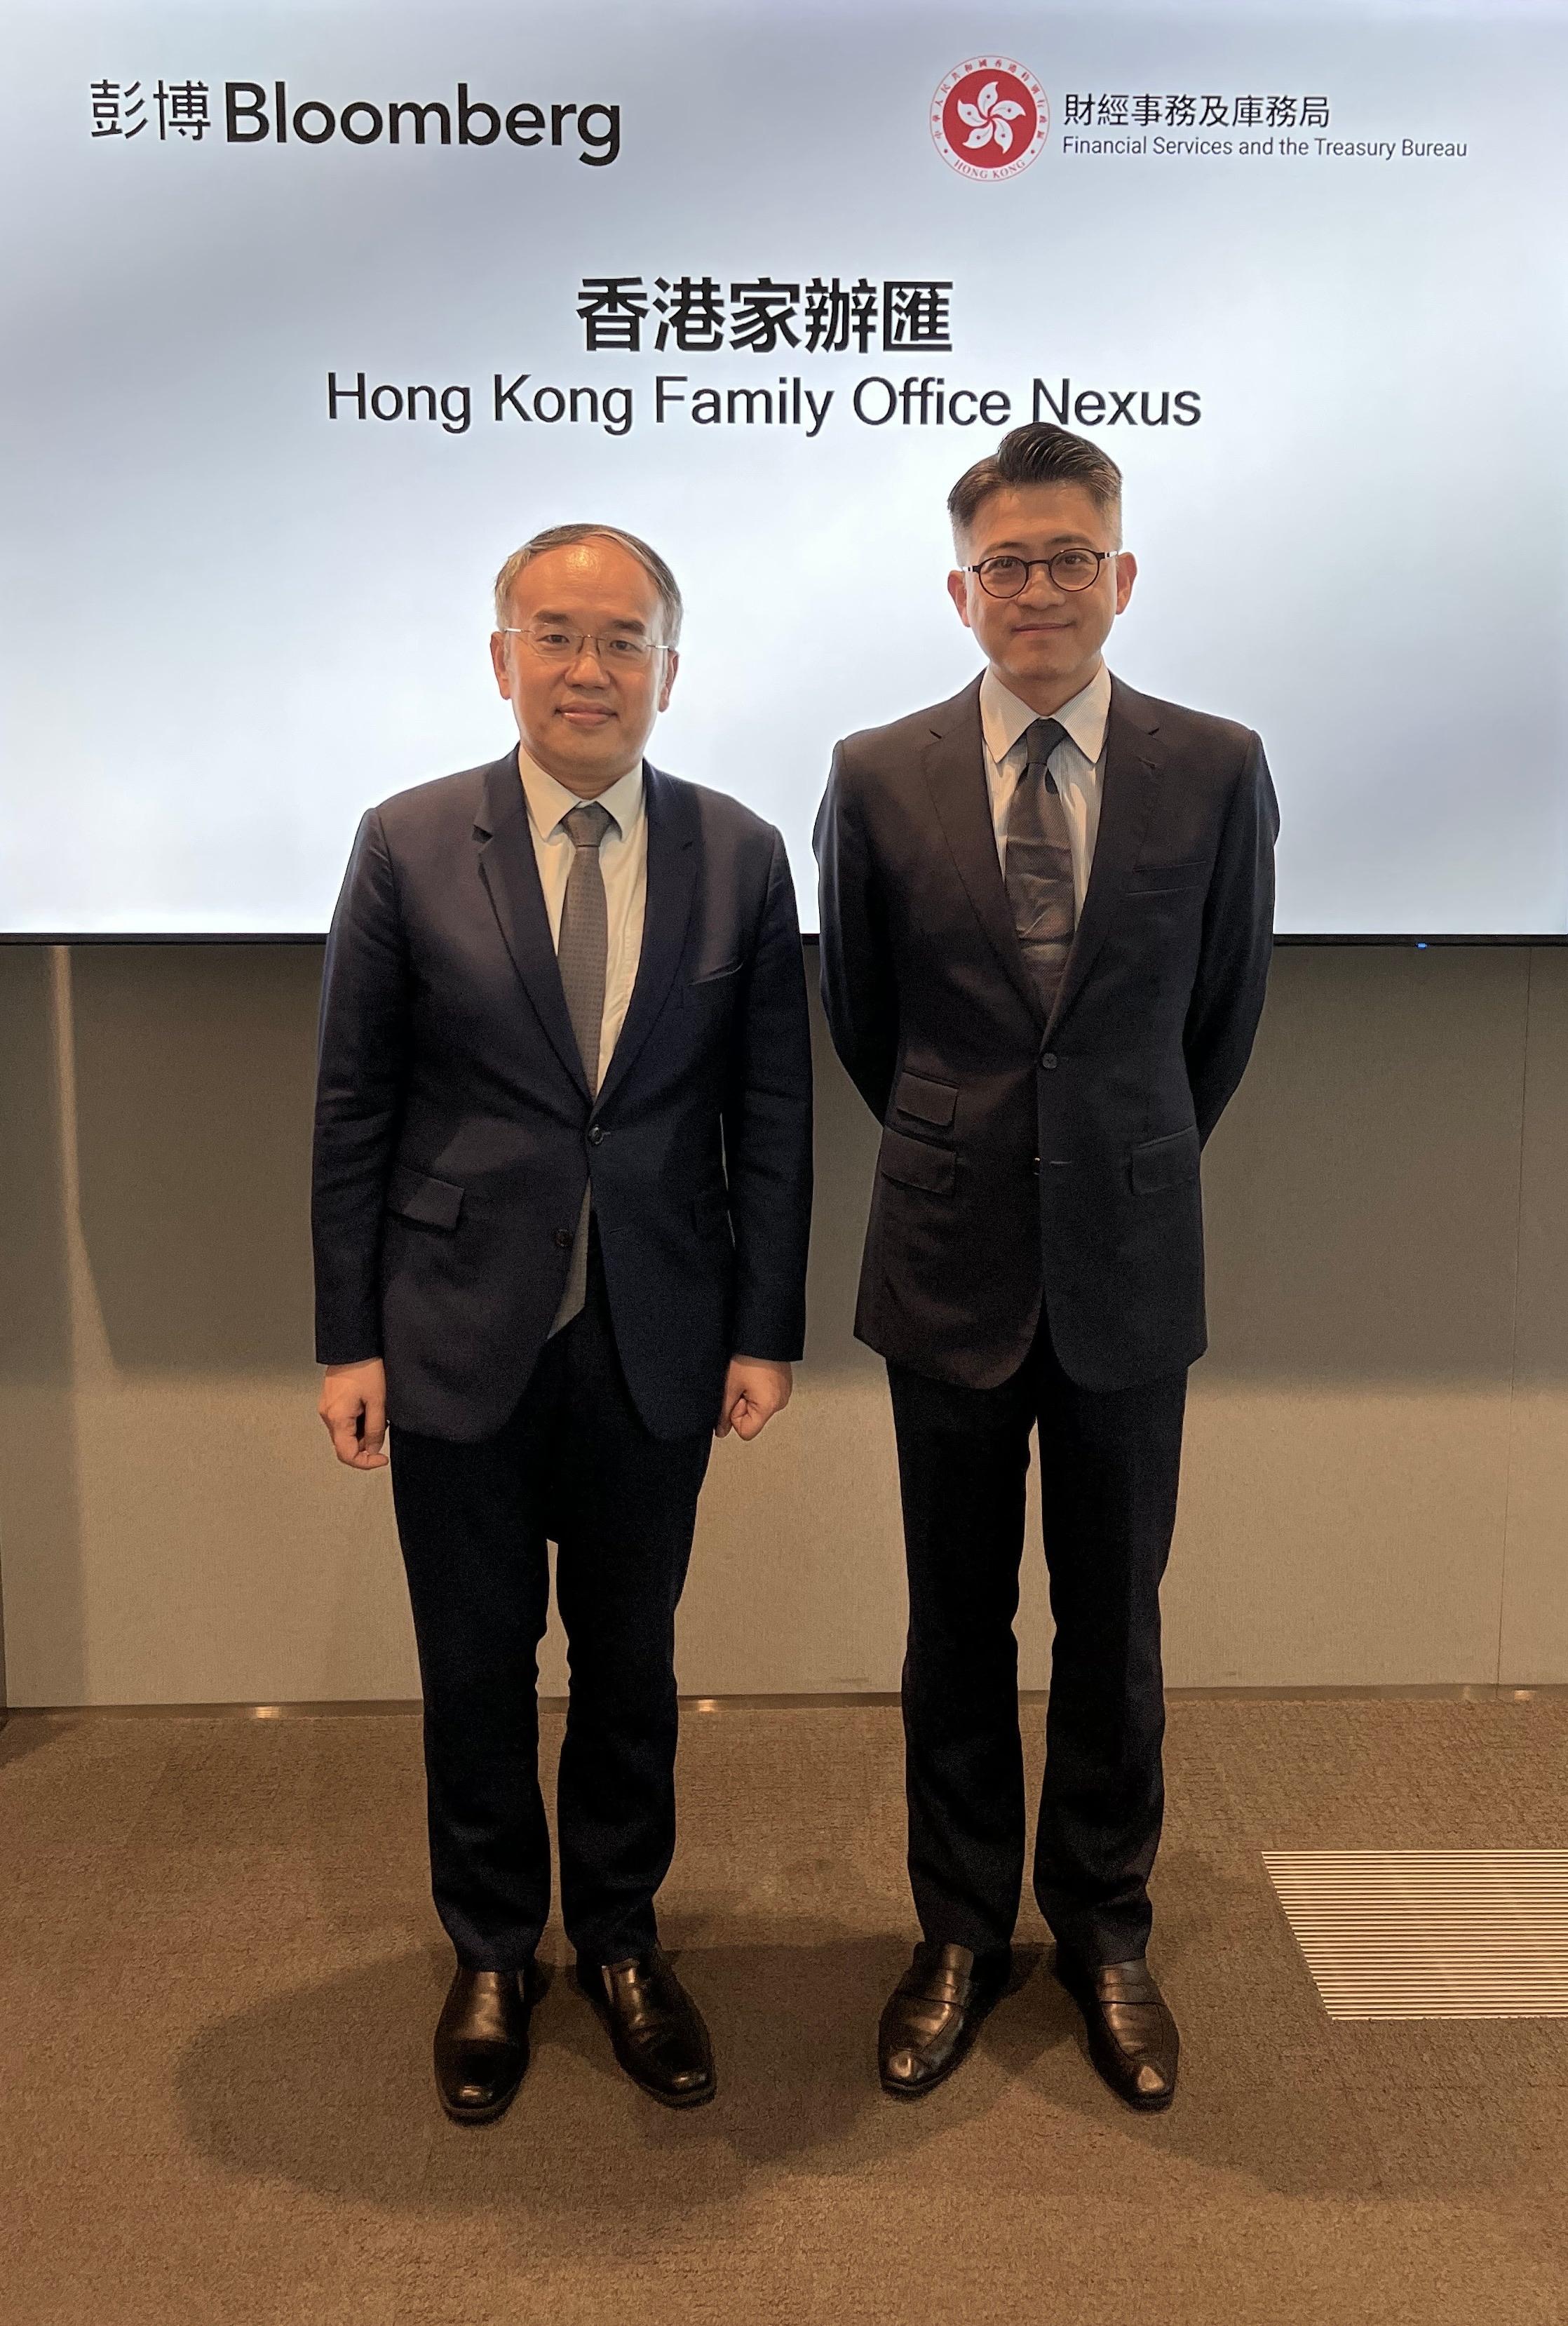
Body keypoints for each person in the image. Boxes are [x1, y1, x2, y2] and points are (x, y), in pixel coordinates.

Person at [313, 523, 813, 2122]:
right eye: (555, 634)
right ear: (501, 655)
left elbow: (774, 1111)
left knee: (630, 1659)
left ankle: (616, 1936)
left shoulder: (738, 851)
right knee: (470, 1662)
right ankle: (488, 1948)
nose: (587, 668)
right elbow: (353, 1104)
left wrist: (764, 1323)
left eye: (622, 639)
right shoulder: (403, 842)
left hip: (656, 1329)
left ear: (670, 667)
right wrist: (347, 1335)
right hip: (455, 1323)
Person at [815, 423, 1276, 2111]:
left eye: (1066, 556)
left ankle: (1103, 1928)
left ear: (1120, 576)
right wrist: (977, 1146)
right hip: (944, 1261)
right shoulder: (873, 772)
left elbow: (1215, 1019)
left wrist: (1108, 1153)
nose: (1036, 588)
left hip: (1129, 1261)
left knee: (1113, 1621)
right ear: (959, 590)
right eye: (1003, 563)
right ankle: (954, 1930)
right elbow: (865, 1018)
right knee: (953, 1618)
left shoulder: (1215, 765)